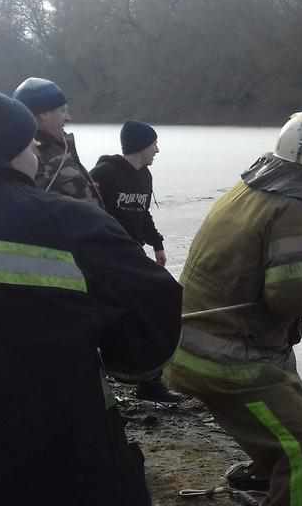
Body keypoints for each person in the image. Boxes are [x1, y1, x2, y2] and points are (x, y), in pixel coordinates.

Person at [0, 86, 182, 505]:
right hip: (58, 451)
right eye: (28, 144)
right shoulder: (67, 223)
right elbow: (154, 312)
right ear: (11, 153)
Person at [163, 112, 302, 505]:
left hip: (202, 341)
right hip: (229, 357)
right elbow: (288, 295)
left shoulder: (253, 188)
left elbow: (266, 272)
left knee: (297, 418)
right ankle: (301, 485)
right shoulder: (297, 208)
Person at [91, 120, 180, 403]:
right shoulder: (104, 174)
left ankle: (150, 381)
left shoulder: (145, 176)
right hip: (104, 255)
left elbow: (143, 214)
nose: (157, 150)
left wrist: (158, 244)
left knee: (152, 305)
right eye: (154, 143)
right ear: (141, 145)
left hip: (133, 253)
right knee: (108, 315)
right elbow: (87, 211)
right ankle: (101, 378)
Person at [13, 77, 102, 203]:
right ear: (44, 114)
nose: (68, 117)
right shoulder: (26, 157)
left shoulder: (62, 146)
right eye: (63, 111)